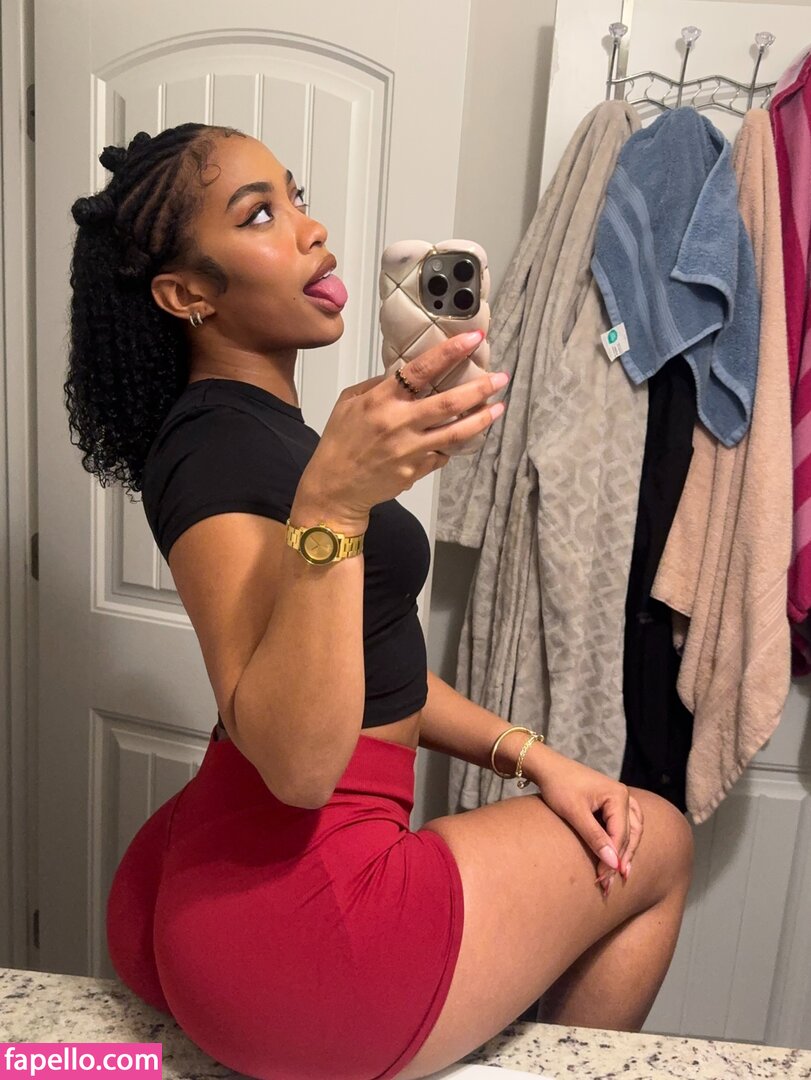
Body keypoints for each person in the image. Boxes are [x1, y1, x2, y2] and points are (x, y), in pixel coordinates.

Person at [65, 123, 693, 1080]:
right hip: (301, 926)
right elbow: (300, 769)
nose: (311, 229)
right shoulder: (210, 450)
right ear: (187, 294)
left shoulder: (270, 430)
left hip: (216, 881)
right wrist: (334, 505)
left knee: (615, 815)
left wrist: (536, 759)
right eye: (259, 215)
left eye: (296, 196)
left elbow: (367, 661)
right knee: (662, 843)